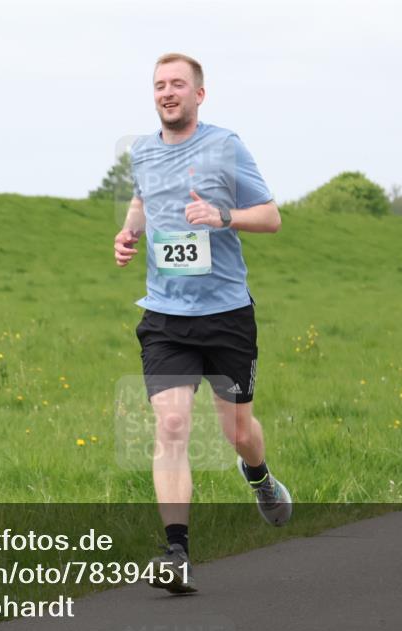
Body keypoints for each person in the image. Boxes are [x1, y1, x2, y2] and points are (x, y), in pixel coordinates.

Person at [113, 53, 292, 594]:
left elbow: (271, 216)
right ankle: (176, 552)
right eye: (159, 85)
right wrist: (129, 234)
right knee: (170, 425)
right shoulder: (142, 150)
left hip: (227, 315)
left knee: (237, 432)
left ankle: (259, 477)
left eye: (178, 85)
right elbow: (143, 199)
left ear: (199, 94)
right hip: (165, 315)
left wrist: (223, 216)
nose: (168, 92)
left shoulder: (224, 145)